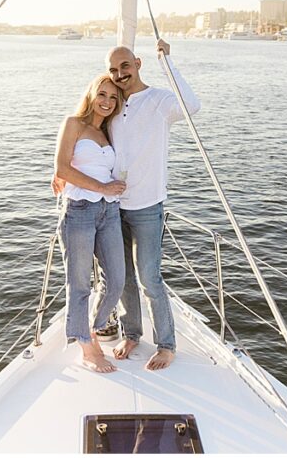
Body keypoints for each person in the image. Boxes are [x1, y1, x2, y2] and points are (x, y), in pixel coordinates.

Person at [105, 38, 200, 371]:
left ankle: (166, 344)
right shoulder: (113, 106)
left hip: (147, 207)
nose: (119, 74)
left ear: (138, 63)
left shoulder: (159, 100)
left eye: (125, 66)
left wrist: (168, 62)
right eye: (113, 70)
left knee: (150, 277)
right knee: (122, 278)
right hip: (114, 207)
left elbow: (192, 106)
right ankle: (132, 334)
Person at [53, 74, 128, 373]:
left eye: (113, 98)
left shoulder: (110, 133)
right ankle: (86, 346)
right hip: (79, 211)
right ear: (92, 94)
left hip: (108, 212)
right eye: (103, 94)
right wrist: (102, 187)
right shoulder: (74, 124)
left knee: (117, 280)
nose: (107, 102)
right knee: (80, 284)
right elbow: (61, 167)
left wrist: (113, 187)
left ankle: (93, 328)